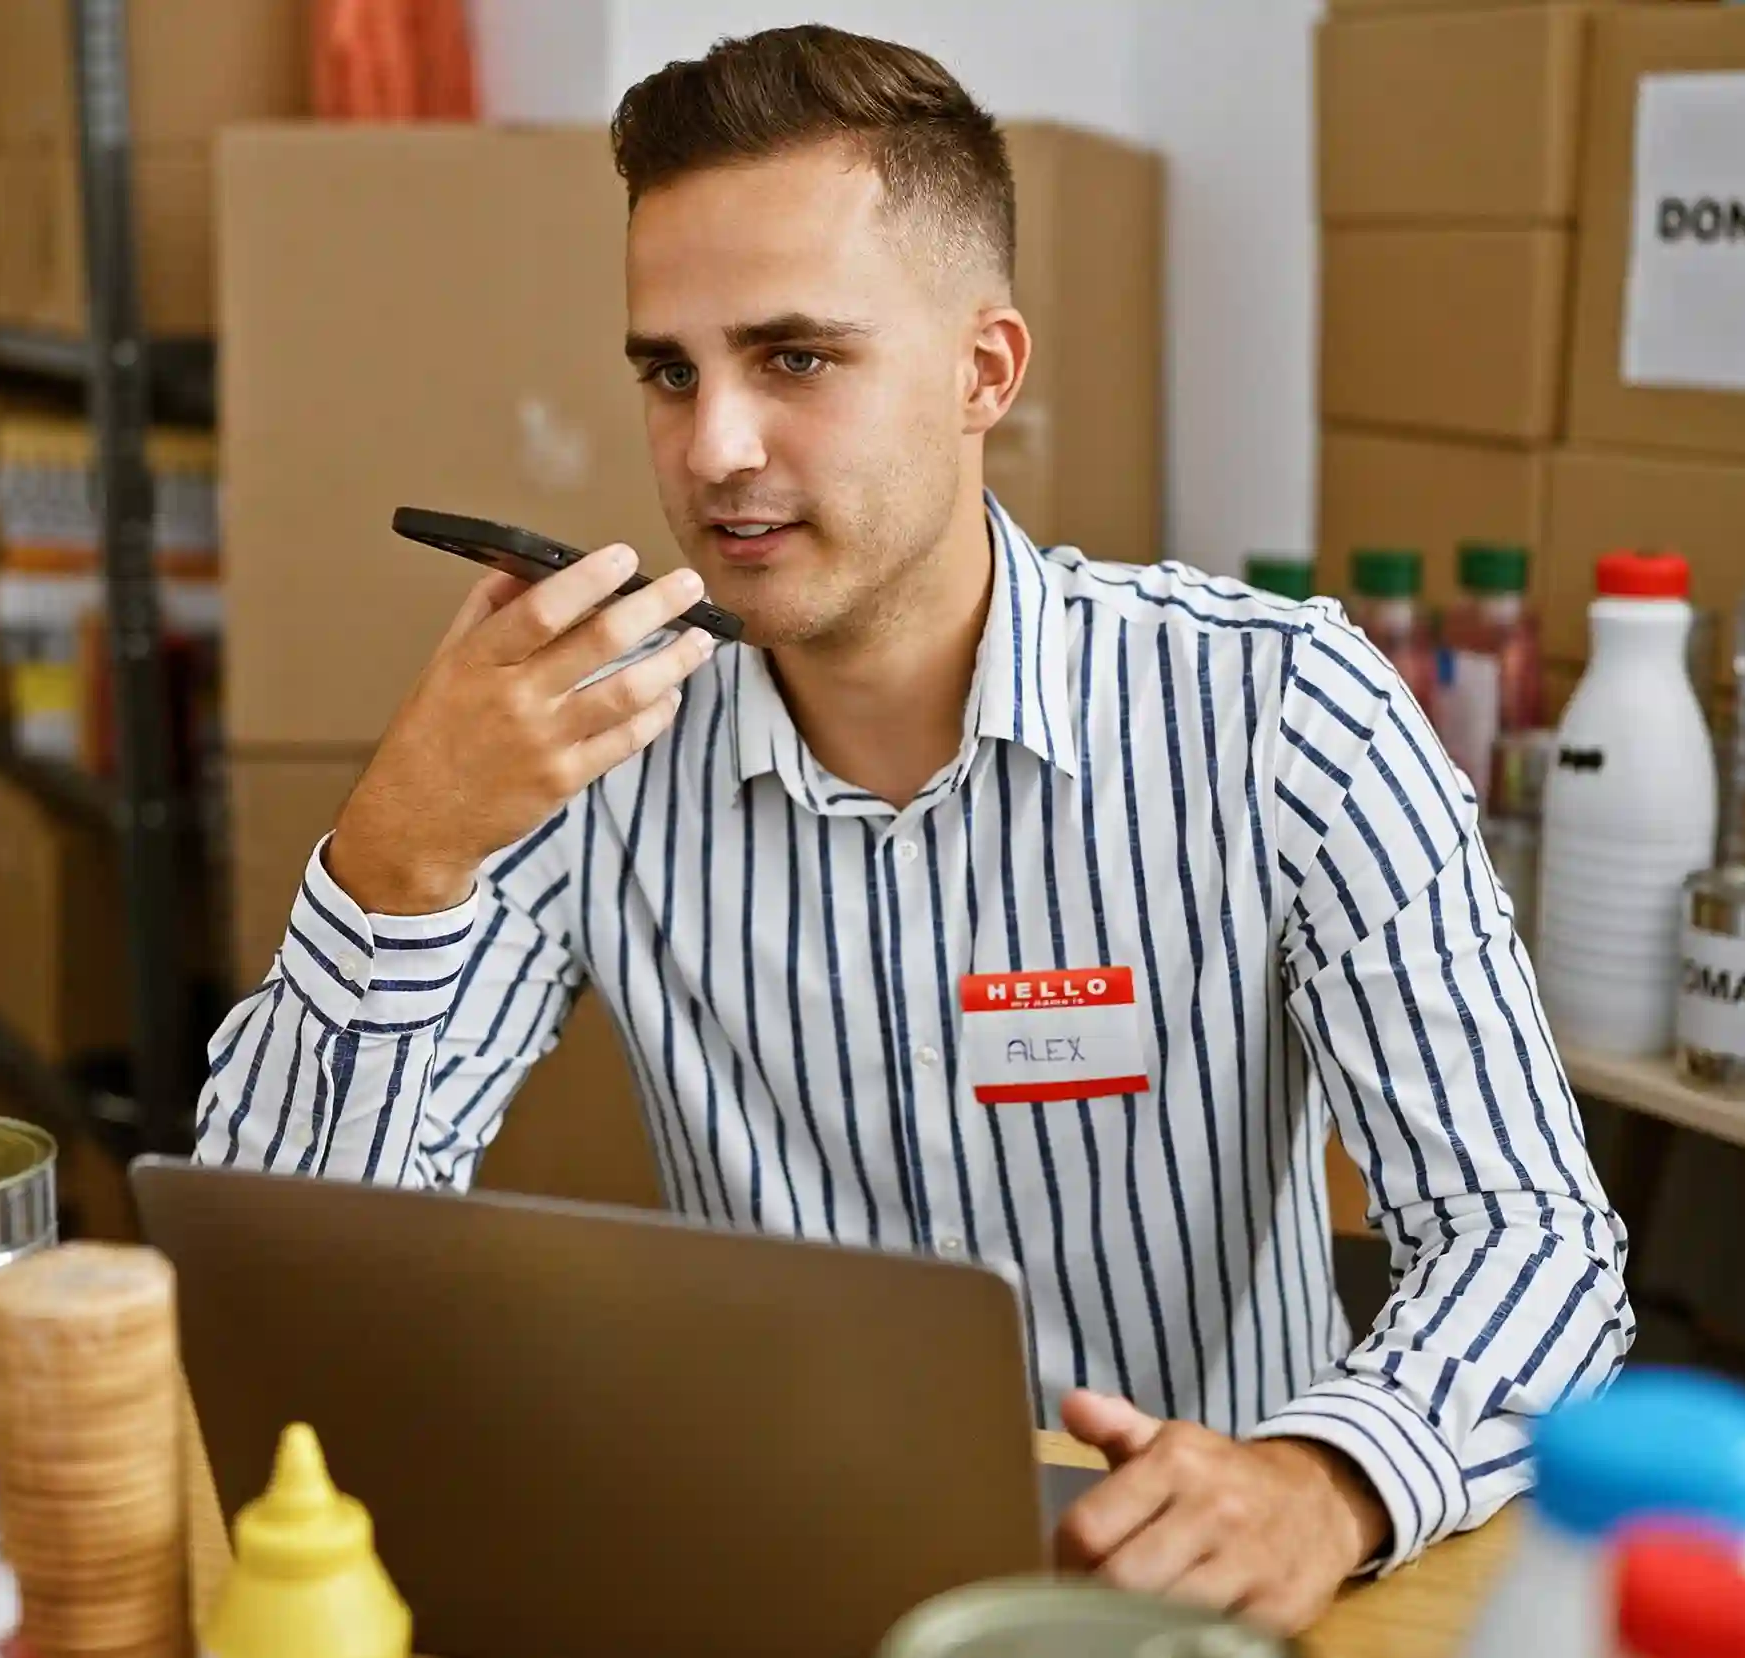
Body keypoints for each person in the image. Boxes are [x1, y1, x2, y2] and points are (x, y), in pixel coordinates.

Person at [197, 24, 1631, 1633]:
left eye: (794, 357)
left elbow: (1536, 1238)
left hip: (1191, 1612)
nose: (712, 447)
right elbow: (287, 1296)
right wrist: (395, 860)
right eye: (669, 371)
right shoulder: (592, 749)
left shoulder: (1281, 714)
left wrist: (1330, 1478)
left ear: (984, 374)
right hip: (793, 1592)